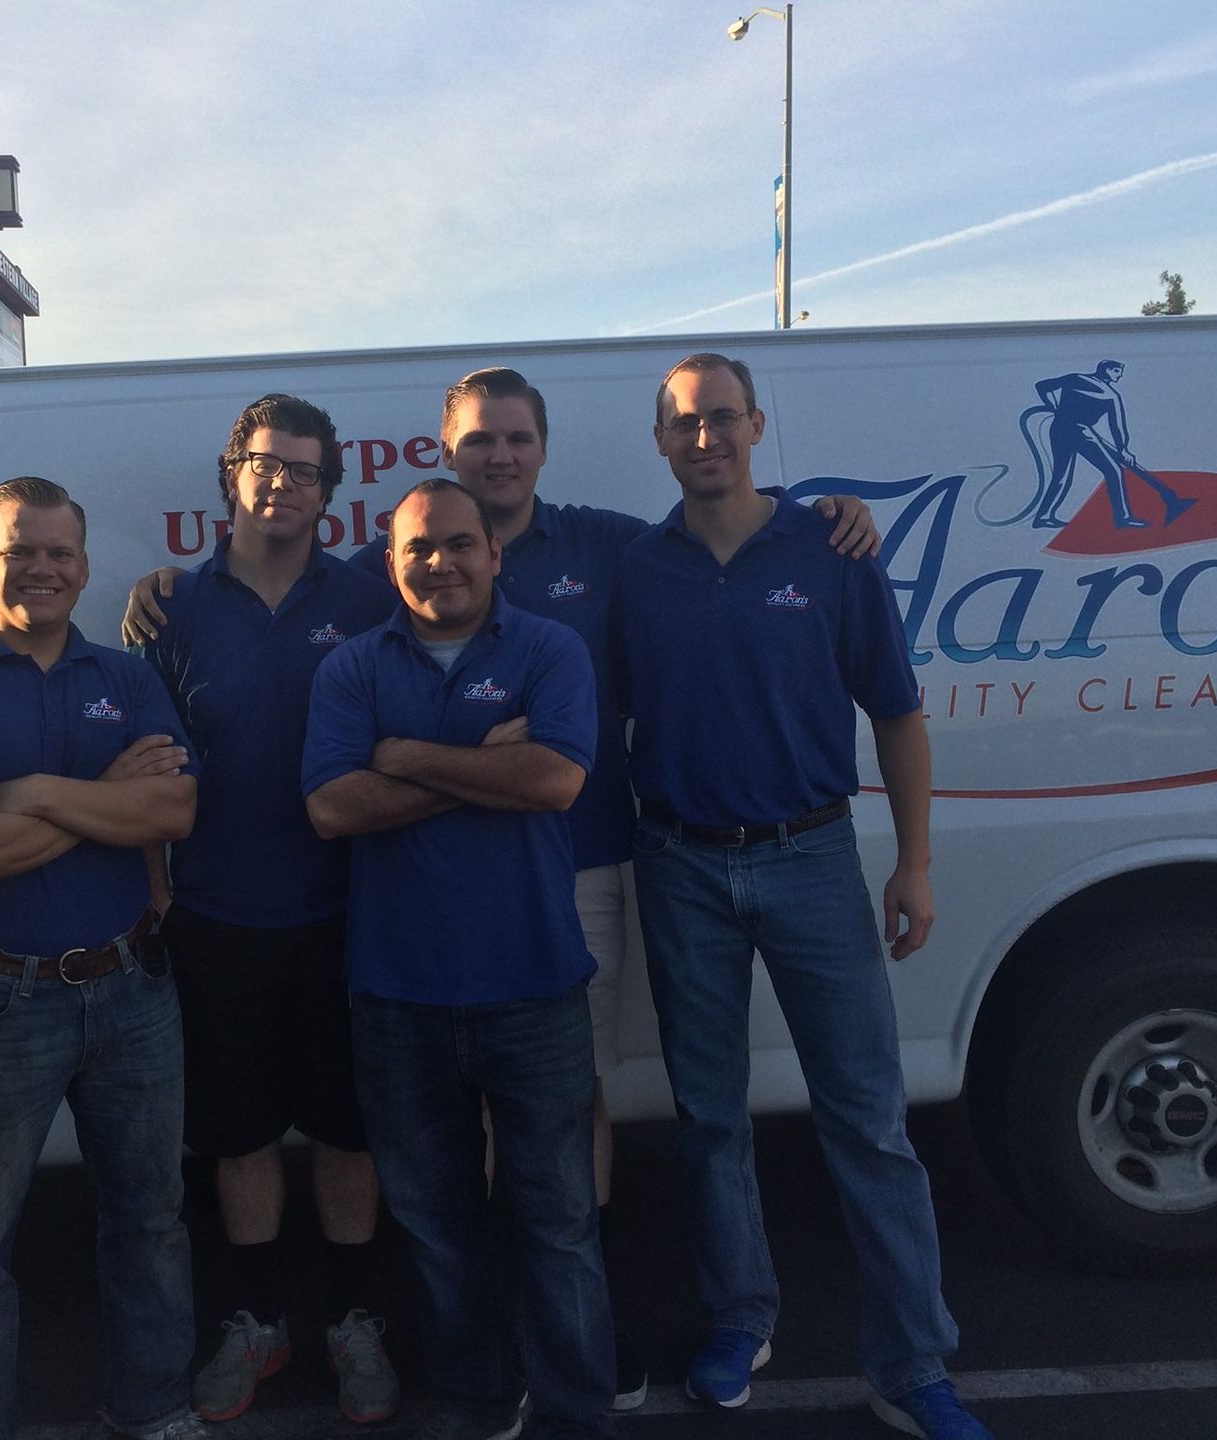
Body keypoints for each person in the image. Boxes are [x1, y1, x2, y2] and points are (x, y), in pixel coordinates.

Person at [123, 367, 879, 1412]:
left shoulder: (584, 562)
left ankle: (566, 1338)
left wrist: (824, 515)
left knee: (546, 1132)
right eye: (481, 440)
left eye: (518, 437)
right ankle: (441, 1357)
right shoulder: (280, 606)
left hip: (550, 880)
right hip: (335, 915)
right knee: (346, 1144)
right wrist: (476, 760)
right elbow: (307, 795)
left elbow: (713, 538)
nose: (500, 456)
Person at [612, 355, 992, 1440]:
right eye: (684, 423)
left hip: (812, 858)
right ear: (660, 440)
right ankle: (741, 1319)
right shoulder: (640, 567)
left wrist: (913, 864)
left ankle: (913, 1366)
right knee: (710, 1121)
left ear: (756, 426)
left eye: (721, 418)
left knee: (868, 1122)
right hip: (679, 862)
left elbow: (898, 714)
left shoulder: (831, 549)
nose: (704, 439)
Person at [0, 476, 205, 1440]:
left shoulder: (130, 679)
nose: (43, 568)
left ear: (85, 566)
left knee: (151, 1223)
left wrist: (33, 792)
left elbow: (175, 810)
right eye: (21, 550)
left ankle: (154, 1410)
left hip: (129, 988)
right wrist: (102, 793)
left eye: (60, 552)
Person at [303, 479, 613, 1440]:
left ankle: (575, 1413)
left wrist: (403, 755)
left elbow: (556, 779)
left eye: (459, 545)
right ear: (388, 561)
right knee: (440, 1230)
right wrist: (481, 762)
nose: (440, 563)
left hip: (534, 984)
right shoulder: (351, 669)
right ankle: (482, 1404)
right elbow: (330, 809)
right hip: (398, 993)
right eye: (418, 549)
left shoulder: (550, 648)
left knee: (559, 1227)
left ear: (495, 554)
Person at [137, 395, 401, 1424]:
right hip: (219, 919)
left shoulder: (374, 600)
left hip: (349, 915)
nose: (280, 482)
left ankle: (352, 1319)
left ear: (330, 490)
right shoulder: (168, 612)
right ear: (229, 473)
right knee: (238, 1135)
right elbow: (145, 769)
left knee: (347, 1132)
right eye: (263, 463)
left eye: (302, 469)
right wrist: (157, 890)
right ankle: (256, 1323)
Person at [1032, 360, 1190, 529]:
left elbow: (1042, 386)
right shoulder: (1108, 394)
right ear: (1105, 369)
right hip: (1079, 431)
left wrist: (1054, 407)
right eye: (1116, 371)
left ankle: (1043, 516)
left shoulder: (1078, 380)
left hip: (1061, 427)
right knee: (1113, 470)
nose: (1120, 375)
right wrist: (1123, 450)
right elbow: (1117, 426)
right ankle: (1123, 519)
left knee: (1062, 475)